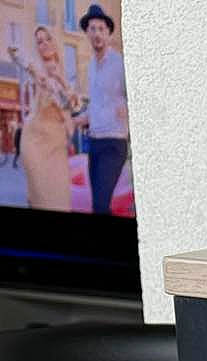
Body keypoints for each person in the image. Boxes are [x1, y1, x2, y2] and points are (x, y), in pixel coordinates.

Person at [75, 5, 127, 215]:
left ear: (108, 33)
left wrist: (128, 108)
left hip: (114, 143)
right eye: (92, 29)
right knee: (98, 205)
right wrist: (76, 120)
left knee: (100, 204)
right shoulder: (90, 68)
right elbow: (96, 107)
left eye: (101, 29)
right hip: (94, 143)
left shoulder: (120, 64)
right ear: (87, 33)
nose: (96, 33)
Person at [19, 25, 77, 212]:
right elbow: (13, 51)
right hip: (34, 141)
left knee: (59, 199)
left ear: (55, 41)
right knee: (39, 198)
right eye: (39, 41)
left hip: (56, 145)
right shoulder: (35, 67)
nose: (44, 44)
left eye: (47, 39)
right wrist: (35, 72)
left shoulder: (65, 72)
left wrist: (60, 79)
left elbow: (73, 106)